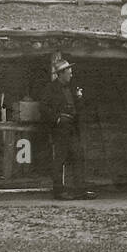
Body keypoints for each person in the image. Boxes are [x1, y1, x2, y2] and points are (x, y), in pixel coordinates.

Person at [41, 58, 95, 200]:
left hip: (72, 129)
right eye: (69, 73)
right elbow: (44, 108)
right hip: (59, 130)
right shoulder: (50, 88)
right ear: (61, 74)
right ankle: (59, 191)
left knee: (78, 157)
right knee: (59, 160)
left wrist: (80, 98)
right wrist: (57, 119)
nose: (71, 75)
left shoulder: (73, 87)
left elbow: (79, 107)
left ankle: (80, 190)